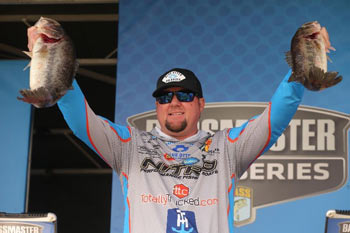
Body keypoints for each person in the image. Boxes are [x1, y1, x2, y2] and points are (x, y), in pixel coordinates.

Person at [57, 67, 304, 233]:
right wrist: (54, 61)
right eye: (165, 98)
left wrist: (302, 65)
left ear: (201, 103)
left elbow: (274, 121)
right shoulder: (130, 145)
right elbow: (82, 122)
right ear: (157, 106)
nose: (173, 103)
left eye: (184, 95)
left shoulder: (228, 147)